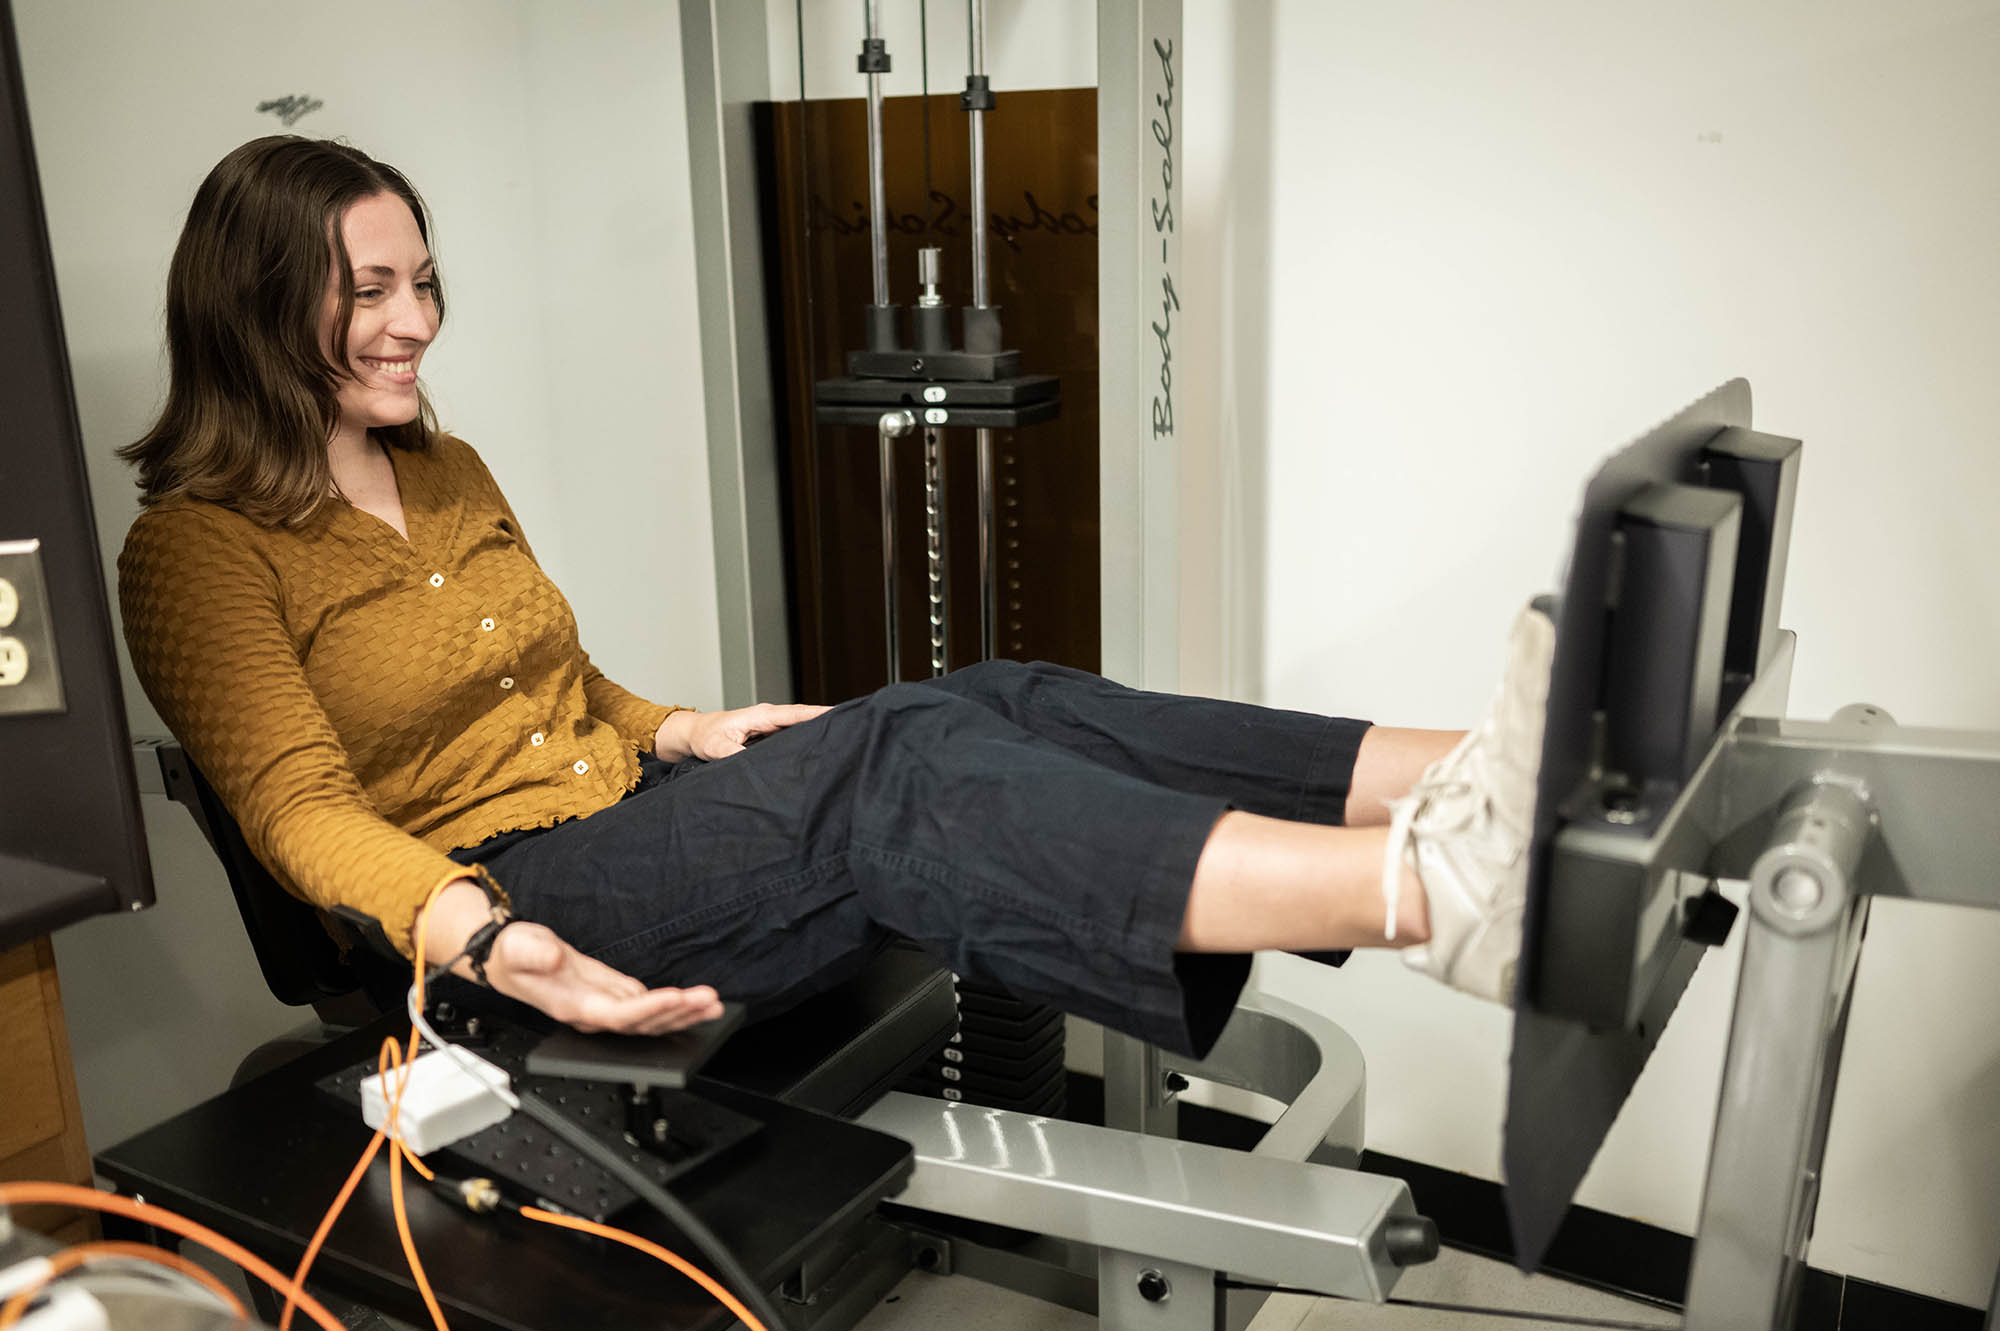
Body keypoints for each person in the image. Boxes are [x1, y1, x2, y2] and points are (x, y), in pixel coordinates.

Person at [117, 136, 1555, 1059]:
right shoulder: (197, 550)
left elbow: (560, 685)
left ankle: (1486, 776)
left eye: (423, 282)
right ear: (255, 303)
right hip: (507, 905)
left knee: (988, 691)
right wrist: (477, 936)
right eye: (372, 291)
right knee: (900, 765)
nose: (418, 320)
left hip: (633, 817)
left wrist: (679, 731)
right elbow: (299, 814)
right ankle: (1427, 892)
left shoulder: (442, 466)